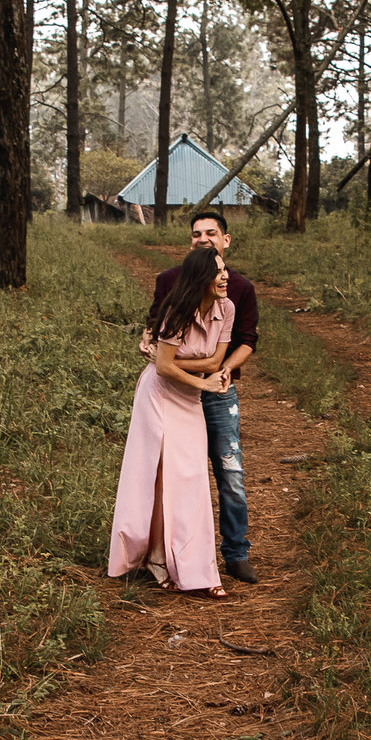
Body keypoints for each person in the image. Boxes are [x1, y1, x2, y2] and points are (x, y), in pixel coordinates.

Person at [108, 246, 237, 597]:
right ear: (201, 277)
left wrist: (179, 364)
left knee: (192, 479)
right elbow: (163, 369)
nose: (225, 277)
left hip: (188, 397)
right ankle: (154, 557)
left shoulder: (227, 308)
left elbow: (212, 361)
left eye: (226, 270)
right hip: (159, 397)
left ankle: (198, 569)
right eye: (218, 272)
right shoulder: (177, 313)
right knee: (159, 478)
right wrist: (197, 376)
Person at [145, 210, 260, 584]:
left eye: (211, 232)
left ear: (226, 240)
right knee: (180, 475)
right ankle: (173, 553)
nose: (203, 238)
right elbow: (155, 330)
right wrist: (148, 343)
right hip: (175, 392)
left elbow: (246, 342)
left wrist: (223, 369)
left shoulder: (237, 290)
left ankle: (236, 552)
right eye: (196, 234)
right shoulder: (169, 282)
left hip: (218, 391)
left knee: (230, 470)